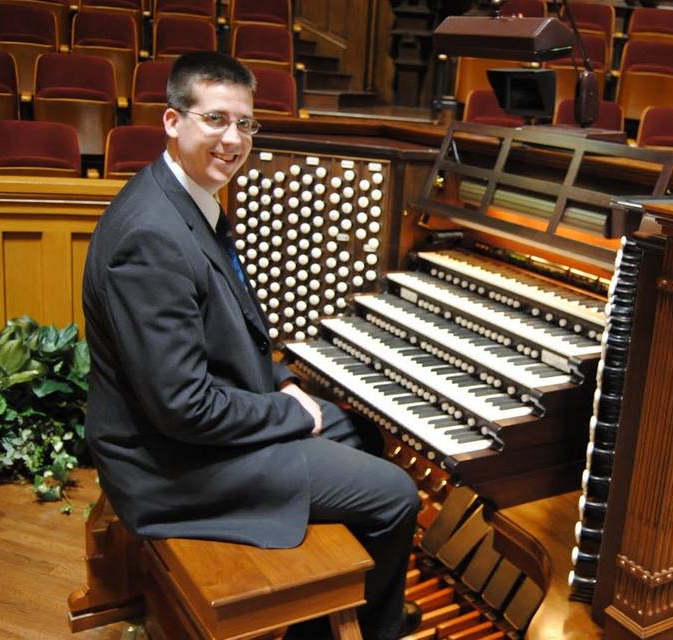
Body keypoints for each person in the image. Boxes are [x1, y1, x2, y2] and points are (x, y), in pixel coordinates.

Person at [82, 51, 421, 639]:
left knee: (362, 431)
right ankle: (374, 629)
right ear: (172, 121)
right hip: (166, 464)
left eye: (244, 124)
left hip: (188, 432)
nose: (232, 139)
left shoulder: (185, 195)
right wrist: (286, 410)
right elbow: (181, 407)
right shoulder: (150, 238)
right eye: (215, 120)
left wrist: (283, 379)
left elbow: (227, 329)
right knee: (395, 496)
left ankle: (337, 610)